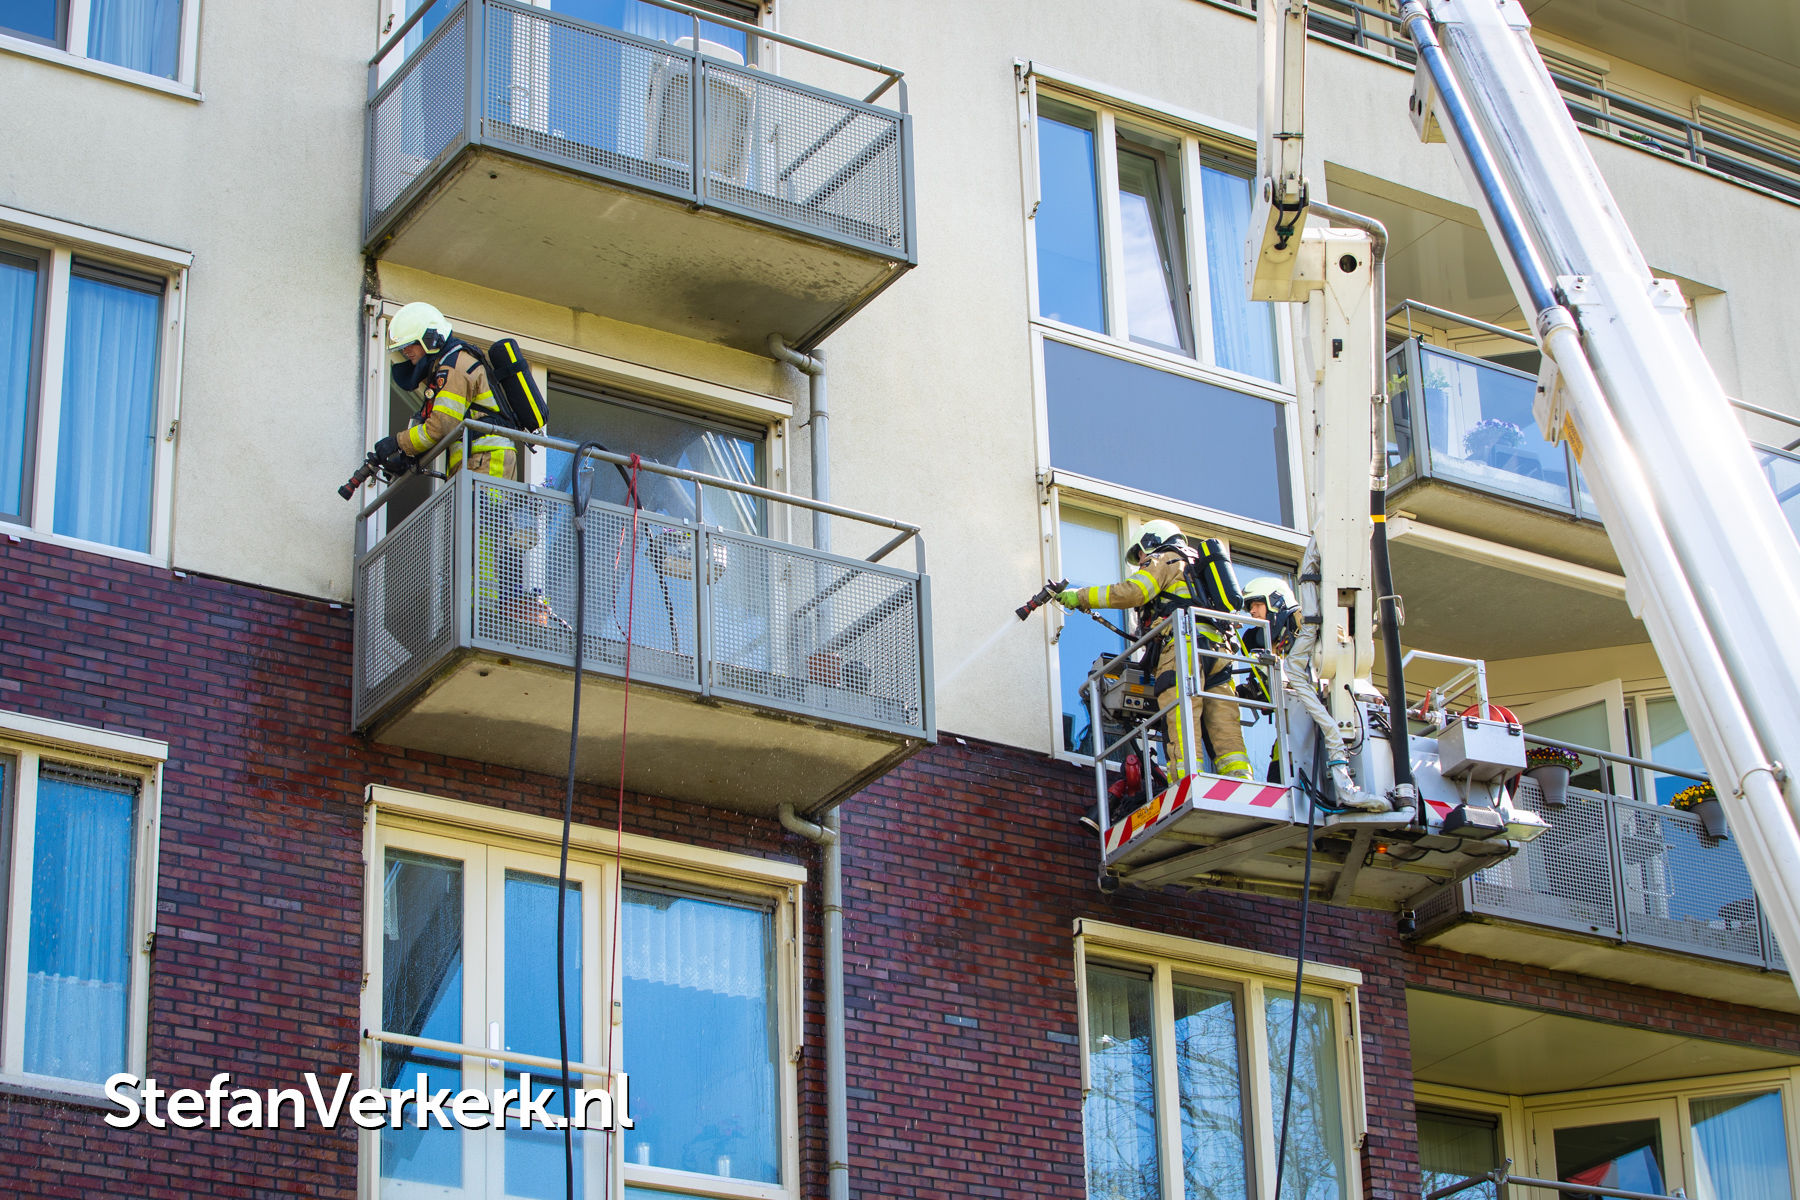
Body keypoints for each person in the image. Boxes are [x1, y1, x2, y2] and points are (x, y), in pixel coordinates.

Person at [1058, 519, 1254, 786]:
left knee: (1181, 715)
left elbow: (1133, 591)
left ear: (1152, 541)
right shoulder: (1196, 565)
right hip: (1218, 650)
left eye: (1140, 554)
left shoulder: (1164, 557)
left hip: (1184, 647)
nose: (1141, 561)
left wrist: (1081, 596)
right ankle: (1241, 779)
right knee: (1224, 720)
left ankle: (1186, 780)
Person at [374, 301, 518, 481]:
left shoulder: (455, 366)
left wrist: (398, 442)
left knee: (477, 503)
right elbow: (440, 428)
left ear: (430, 338)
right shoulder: (444, 366)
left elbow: (441, 426)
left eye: (411, 344)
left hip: (487, 461)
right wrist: (406, 457)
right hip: (476, 462)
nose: (405, 351)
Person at [1238, 576, 1299, 782]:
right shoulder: (1270, 645)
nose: (1252, 611)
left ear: (1276, 601)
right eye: (1250, 607)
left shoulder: (1306, 633)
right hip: (1289, 736)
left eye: (1257, 604)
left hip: (1313, 732)